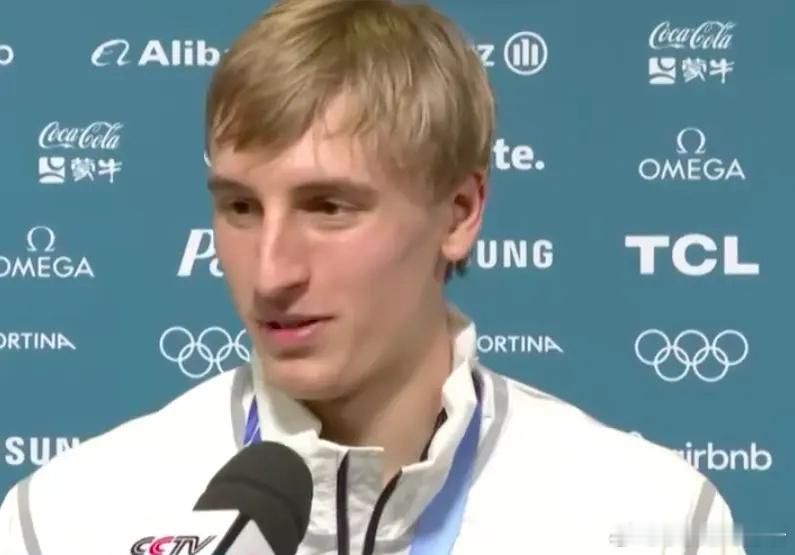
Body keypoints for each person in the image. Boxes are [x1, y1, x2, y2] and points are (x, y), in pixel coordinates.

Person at [1, 0, 746, 553]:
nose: (271, 273)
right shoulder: (66, 521)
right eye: (240, 207)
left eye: (328, 207)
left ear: (459, 212)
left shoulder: (653, 521)